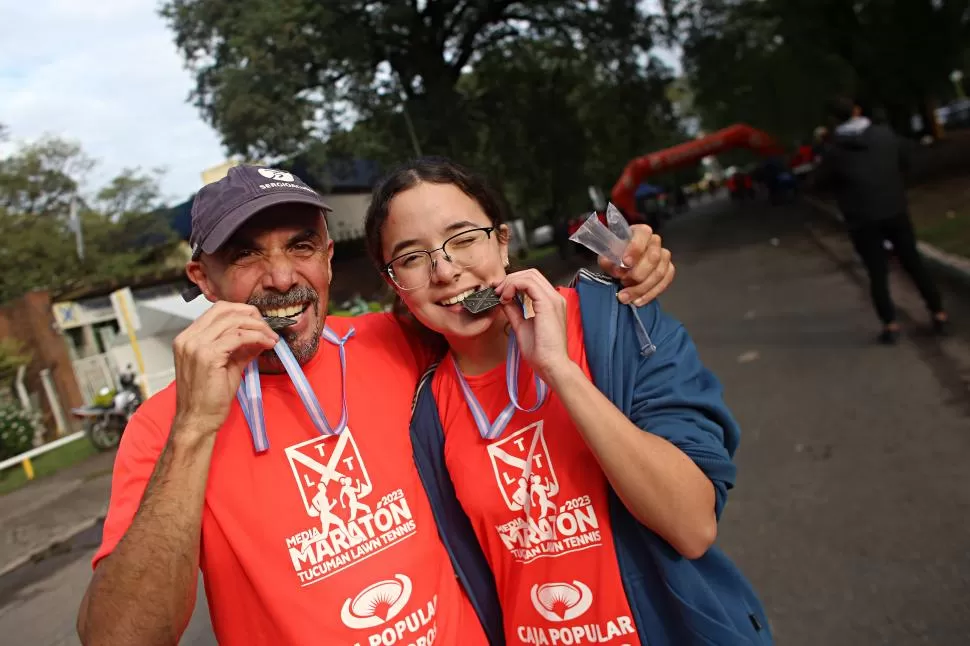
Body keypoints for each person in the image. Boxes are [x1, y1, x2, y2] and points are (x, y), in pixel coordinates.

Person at [76, 165, 675, 645]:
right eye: (246, 255)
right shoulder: (164, 427)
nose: (283, 277)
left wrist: (623, 263)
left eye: (301, 246)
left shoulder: (393, 343)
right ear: (202, 278)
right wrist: (195, 428)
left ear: (329, 257)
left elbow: (488, 302)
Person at [364, 157, 771, 645]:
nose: (445, 270)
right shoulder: (424, 408)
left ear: (502, 240)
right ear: (395, 285)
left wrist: (560, 371)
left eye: (464, 238)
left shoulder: (618, 323)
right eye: (412, 257)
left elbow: (692, 525)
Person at [816, 96, 948, 344]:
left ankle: (891, 325)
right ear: (857, 110)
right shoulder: (885, 135)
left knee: (877, 273)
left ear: (833, 120)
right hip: (894, 209)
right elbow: (909, 159)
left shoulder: (834, 152)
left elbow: (817, 184)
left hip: (861, 220)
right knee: (913, 263)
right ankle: (938, 313)